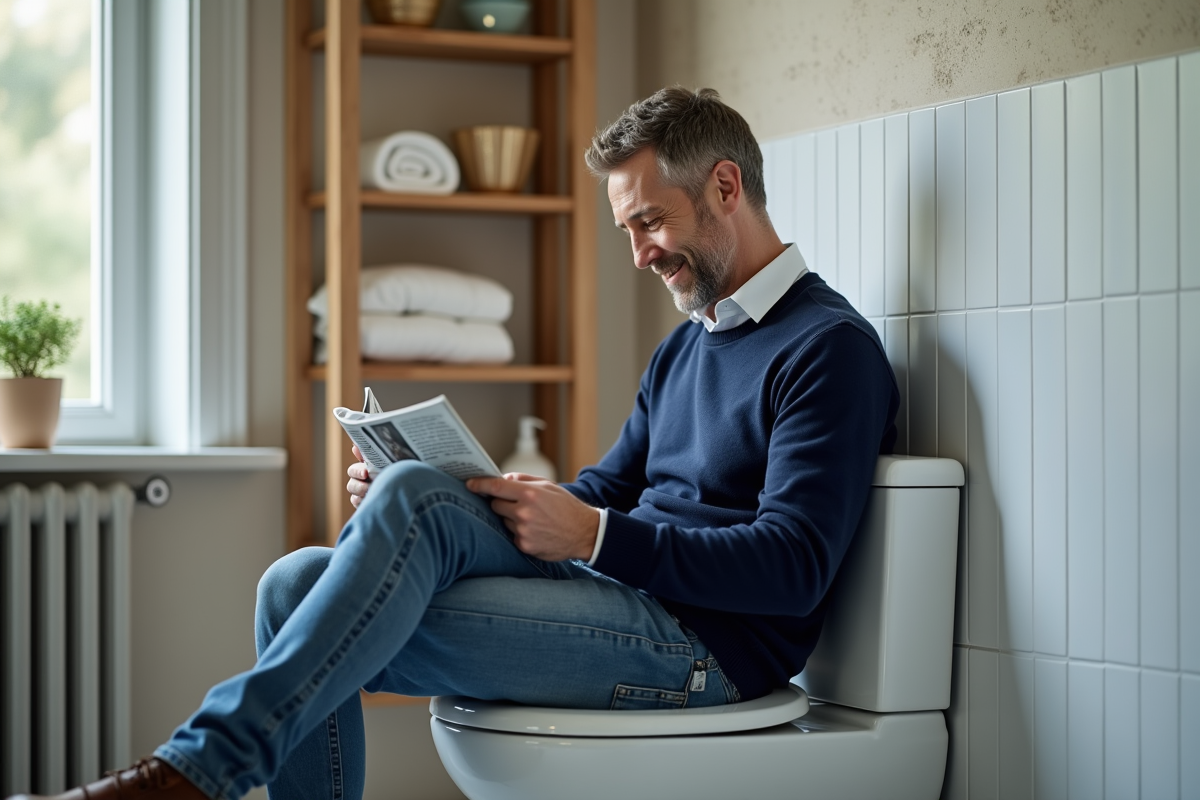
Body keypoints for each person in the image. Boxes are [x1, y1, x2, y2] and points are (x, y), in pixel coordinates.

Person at [12, 87, 899, 800]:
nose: (638, 254)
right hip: (623, 594)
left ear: (726, 188)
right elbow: (609, 488)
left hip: (703, 651)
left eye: (650, 222)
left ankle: (199, 767)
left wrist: (593, 537)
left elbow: (793, 568)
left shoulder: (828, 349)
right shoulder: (688, 345)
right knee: (302, 574)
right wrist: (487, 496)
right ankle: (210, 756)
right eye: (627, 229)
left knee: (343, 567)